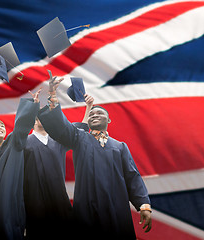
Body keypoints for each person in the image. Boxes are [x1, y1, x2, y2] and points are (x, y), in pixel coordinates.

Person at [36, 73, 152, 239]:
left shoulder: (119, 147)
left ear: (109, 120)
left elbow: (132, 177)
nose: (95, 115)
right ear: (88, 122)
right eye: (91, 114)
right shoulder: (79, 138)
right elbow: (62, 127)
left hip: (116, 207)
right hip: (87, 207)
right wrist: (53, 95)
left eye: (100, 114)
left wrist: (144, 205)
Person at [23, 94, 93, 239]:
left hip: (59, 200)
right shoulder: (24, 143)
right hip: (34, 203)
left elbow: (78, 133)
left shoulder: (58, 140)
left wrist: (89, 107)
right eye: (38, 116)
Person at [0, 89, 41, 240]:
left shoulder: (12, 144)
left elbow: (21, 128)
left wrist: (31, 106)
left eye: (2, 125)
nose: (0, 127)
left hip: (5, 201)